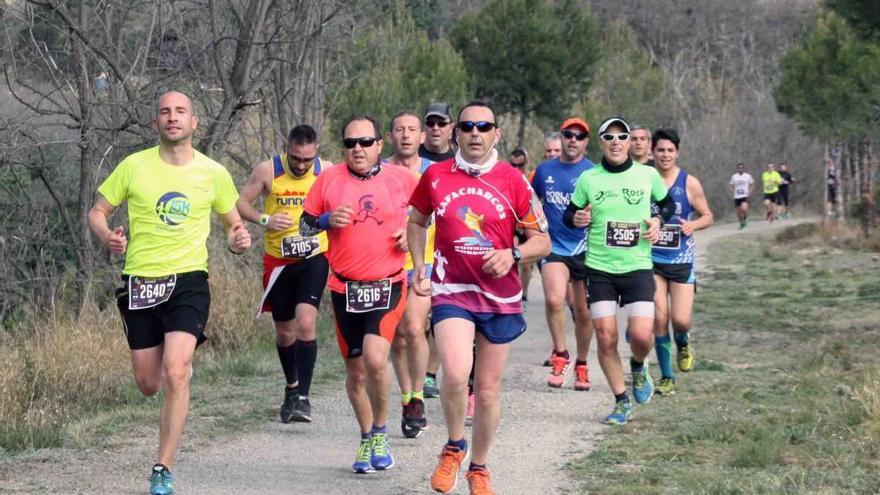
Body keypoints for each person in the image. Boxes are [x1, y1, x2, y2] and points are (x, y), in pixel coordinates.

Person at [88, 91, 252, 495]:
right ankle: (173, 382)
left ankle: (162, 468)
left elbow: (233, 223)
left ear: (195, 123)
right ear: (155, 123)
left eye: (181, 112)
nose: (172, 118)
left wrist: (239, 237)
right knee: (149, 382)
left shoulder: (214, 172)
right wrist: (108, 236)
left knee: (176, 370)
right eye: (165, 112)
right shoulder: (133, 166)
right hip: (140, 281)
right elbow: (97, 211)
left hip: (189, 281)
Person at [408, 101, 550, 494]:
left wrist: (513, 254)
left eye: (483, 127)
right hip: (452, 289)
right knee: (454, 373)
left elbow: (543, 239)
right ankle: (453, 446)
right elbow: (417, 220)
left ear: (496, 135)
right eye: (468, 126)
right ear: (457, 132)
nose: (475, 134)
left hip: (499, 297)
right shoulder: (436, 175)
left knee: (487, 391)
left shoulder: (513, 181)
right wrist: (419, 264)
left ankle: (480, 467)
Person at [300, 115, 418, 474]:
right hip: (344, 288)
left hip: (388, 283)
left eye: (365, 142)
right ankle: (367, 436)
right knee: (355, 371)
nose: (358, 150)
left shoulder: (403, 179)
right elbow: (305, 223)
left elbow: (435, 215)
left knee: (375, 358)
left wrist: (411, 233)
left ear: (379, 145)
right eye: (350, 143)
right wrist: (326, 221)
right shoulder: (329, 178)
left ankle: (381, 431)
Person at [563, 117, 675, 425]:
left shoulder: (647, 175)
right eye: (608, 137)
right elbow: (569, 213)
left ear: (629, 142)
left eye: (621, 136)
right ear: (600, 142)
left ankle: (639, 365)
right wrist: (577, 220)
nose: (615, 141)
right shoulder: (589, 178)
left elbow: (668, 206)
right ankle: (620, 400)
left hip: (638, 266)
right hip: (599, 269)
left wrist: (657, 221)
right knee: (606, 336)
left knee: (641, 335)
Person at [236, 125, 328, 424]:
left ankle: (304, 397)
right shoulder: (267, 170)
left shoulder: (327, 171)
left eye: (307, 159)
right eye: (296, 158)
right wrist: (266, 219)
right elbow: (239, 204)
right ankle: (291, 386)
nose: (302, 165)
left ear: (317, 152)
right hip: (278, 260)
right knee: (285, 331)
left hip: (314, 255)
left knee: (306, 320)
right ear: (286, 149)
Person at [531, 117, 595, 391]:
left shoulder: (594, 172)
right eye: (568, 134)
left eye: (579, 136)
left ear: (586, 142)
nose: (573, 140)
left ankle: (582, 363)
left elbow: (605, 208)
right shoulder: (545, 169)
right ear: (562, 136)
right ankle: (561, 354)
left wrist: (591, 216)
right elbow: (530, 201)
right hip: (553, 245)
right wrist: (532, 230)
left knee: (582, 311)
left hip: (585, 248)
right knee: (555, 299)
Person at [649, 129, 713, 395]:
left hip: (681, 259)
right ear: (652, 152)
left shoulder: (689, 183)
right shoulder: (644, 179)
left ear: (677, 152)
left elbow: (708, 215)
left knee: (681, 320)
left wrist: (693, 225)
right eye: (660, 150)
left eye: (670, 150)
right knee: (659, 318)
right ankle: (666, 377)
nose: (665, 155)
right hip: (651, 259)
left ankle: (683, 342)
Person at [383, 111, 434, 438]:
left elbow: (445, 215)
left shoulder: (435, 172)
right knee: (399, 335)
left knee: (415, 328)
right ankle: (407, 399)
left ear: (422, 137)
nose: (405, 135)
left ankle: (418, 394)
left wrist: (414, 234)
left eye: (412, 130)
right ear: (389, 137)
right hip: (385, 262)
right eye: (399, 130)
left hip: (424, 262)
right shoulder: (380, 171)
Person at [420, 102, 456, 399]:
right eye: (430, 123)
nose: (435, 129)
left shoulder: (459, 163)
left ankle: (430, 373)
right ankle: (418, 372)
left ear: (451, 128)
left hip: (447, 253)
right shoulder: (411, 161)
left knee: (438, 317)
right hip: (414, 251)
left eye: (440, 123)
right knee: (415, 324)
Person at [510, 148, 535, 305]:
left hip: (529, 225)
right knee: (512, 256)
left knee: (525, 263)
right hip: (513, 225)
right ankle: (512, 291)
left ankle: (523, 294)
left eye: (521, 165)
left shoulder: (533, 177)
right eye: (513, 165)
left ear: (527, 163)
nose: (517, 169)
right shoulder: (508, 177)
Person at [729, 163, 754, 229]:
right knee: (738, 212)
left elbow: (752, 184)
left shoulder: (747, 176)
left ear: (744, 168)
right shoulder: (734, 176)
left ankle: (745, 217)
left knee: (744, 208)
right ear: (737, 169)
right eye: (739, 168)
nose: (740, 169)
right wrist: (733, 191)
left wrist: (750, 191)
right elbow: (731, 184)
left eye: (741, 168)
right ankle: (741, 224)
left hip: (745, 195)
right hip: (737, 196)